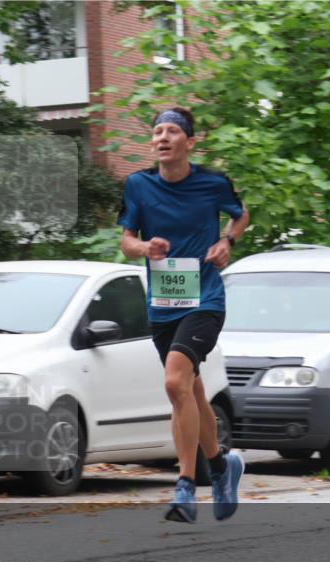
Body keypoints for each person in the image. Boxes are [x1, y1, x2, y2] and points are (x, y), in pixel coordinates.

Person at [118, 107, 251, 523]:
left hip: (205, 300)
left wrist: (227, 240)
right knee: (188, 392)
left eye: (173, 130)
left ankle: (186, 486)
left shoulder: (212, 183)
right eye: (157, 131)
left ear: (190, 142)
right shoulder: (138, 186)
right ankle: (221, 465)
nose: (163, 137)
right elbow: (126, 240)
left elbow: (241, 213)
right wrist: (145, 249)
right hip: (163, 303)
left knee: (176, 381)